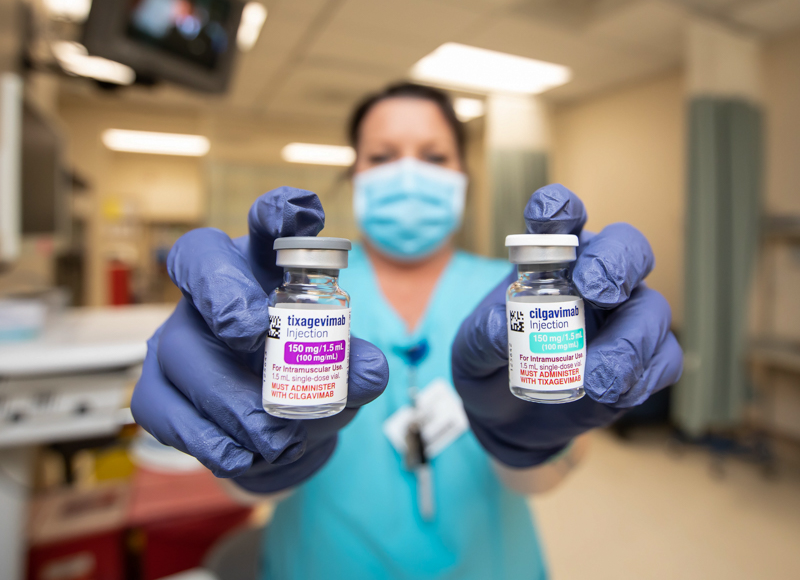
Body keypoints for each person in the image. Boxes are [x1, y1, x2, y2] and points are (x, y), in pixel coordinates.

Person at [132, 83, 683, 579]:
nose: (409, 173)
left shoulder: (517, 294)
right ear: (355, 175)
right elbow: (242, 480)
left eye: (435, 156)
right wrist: (252, 452)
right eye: (382, 156)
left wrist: (530, 445)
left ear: (463, 176)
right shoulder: (287, 304)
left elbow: (545, 478)